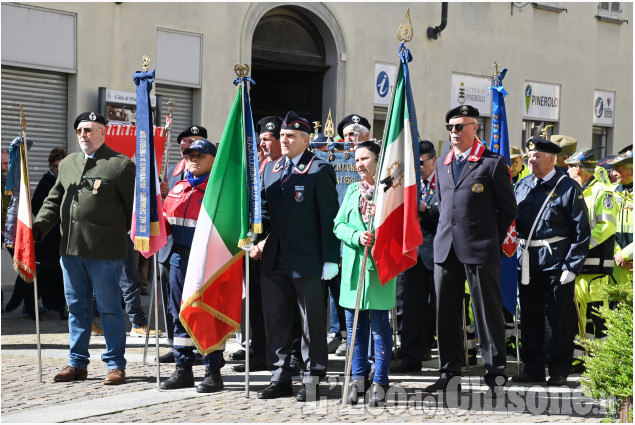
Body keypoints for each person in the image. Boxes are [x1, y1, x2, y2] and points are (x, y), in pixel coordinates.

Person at [33, 112, 135, 385]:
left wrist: (114, 233)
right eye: (79, 130)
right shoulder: (68, 163)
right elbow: (54, 201)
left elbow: (132, 209)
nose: (83, 135)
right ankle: (77, 363)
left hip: (105, 251)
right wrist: (38, 227)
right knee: (77, 307)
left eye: (89, 129)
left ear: (103, 132)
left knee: (109, 308)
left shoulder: (120, 165)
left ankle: (115, 365)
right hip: (71, 249)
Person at [426, 105, 517, 394]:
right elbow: (443, 204)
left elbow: (507, 209)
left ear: (474, 128)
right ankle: (449, 374)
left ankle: (495, 375)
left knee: (487, 315)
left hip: (479, 248)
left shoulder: (491, 163)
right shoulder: (442, 163)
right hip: (446, 249)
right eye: (450, 127)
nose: (454, 132)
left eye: (460, 126)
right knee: (446, 313)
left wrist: (489, 237)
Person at [256, 111, 340, 402]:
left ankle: (313, 376)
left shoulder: (318, 170)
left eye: (291, 136)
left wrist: (331, 258)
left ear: (306, 140)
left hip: (308, 257)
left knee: (310, 320)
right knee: (275, 319)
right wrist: (254, 237)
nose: (285, 140)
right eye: (282, 136)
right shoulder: (271, 168)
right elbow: (265, 211)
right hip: (275, 256)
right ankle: (279, 376)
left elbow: (329, 216)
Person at [513, 138, 590, 386]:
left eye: (536, 156)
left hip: (557, 262)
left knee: (559, 320)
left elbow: (582, 231)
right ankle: (533, 368)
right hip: (527, 261)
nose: (530, 160)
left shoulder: (567, 187)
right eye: (529, 156)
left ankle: (559, 370)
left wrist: (572, 266)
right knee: (530, 318)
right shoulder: (523, 184)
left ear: (552, 158)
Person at [160, 138, 226, 393]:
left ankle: (213, 371)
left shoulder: (220, 189)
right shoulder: (179, 187)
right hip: (178, 257)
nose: (193, 159)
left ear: (213, 159)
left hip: (208, 259)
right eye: (189, 155)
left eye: (199, 155)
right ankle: (183, 369)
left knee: (207, 314)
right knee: (179, 313)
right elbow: (166, 221)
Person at [334, 140, 395, 407]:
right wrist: (357, 235)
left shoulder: (391, 190)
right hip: (352, 270)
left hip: (379, 268)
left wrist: (379, 222)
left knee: (380, 328)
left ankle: (380, 382)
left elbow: (399, 231)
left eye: (365, 159)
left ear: (378, 160)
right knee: (354, 329)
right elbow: (338, 225)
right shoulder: (350, 190)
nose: (359, 164)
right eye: (356, 160)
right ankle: (357, 380)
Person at [157, 124, 207, 363]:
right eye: (186, 142)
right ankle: (175, 345)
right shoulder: (170, 171)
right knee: (172, 301)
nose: (189, 146)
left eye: (195, 141)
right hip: (170, 247)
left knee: (197, 300)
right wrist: (161, 194)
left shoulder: (212, 174)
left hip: (199, 250)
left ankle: (199, 346)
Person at [564, 149, 617, 372]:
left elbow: (606, 227)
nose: (566, 170)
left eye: (569, 166)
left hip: (595, 264)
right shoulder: (577, 191)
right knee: (579, 315)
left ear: (578, 168)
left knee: (597, 315)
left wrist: (581, 246)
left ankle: (601, 360)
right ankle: (581, 358)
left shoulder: (603, 192)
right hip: (579, 265)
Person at [392, 140, 439, 373]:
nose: (418, 167)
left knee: (437, 307)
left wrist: (427, 209)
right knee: (408, 306)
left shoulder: (444, 182)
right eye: (415, 164)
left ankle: (445, 356)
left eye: (422, 163)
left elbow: (453, 210)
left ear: (433, 160)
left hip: (437, 251)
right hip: (410, 253)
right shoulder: (408, 183)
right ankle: (410, 355)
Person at [608, 148, 633, 288]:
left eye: (619, 169)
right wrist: (617, 253)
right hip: (616, 262)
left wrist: (627, 253)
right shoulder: (610, 192)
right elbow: (605, 225)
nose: (614, 173)